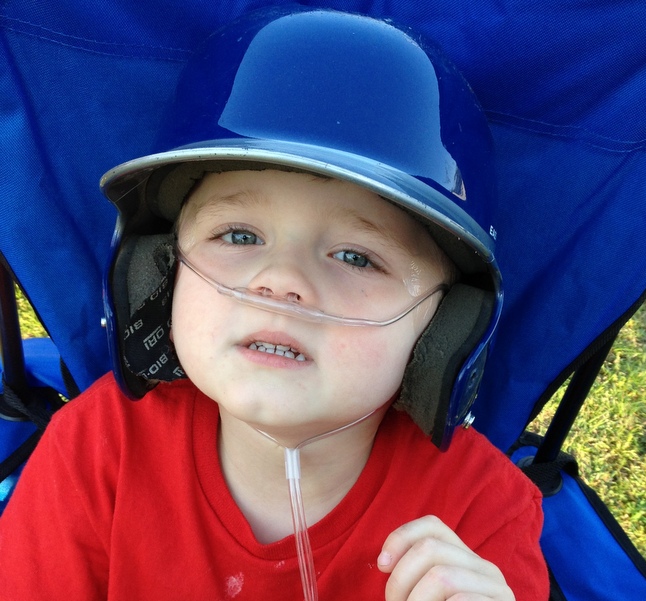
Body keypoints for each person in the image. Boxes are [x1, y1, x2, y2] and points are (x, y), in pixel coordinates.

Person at [0, 7, 548, 600]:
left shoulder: (481, 517)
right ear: (159, 270)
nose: (281, 282)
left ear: (443, 325)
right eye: (239, 236)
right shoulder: (97, 452)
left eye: (357, 258)